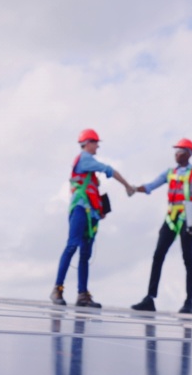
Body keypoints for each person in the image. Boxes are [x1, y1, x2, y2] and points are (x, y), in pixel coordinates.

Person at [51, 128, 135, 308]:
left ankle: (82, 294)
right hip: (80, 209)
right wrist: (127, 186)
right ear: (88, 143)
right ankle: (57, 289)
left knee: (85, 253)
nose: (98, 146)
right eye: (96, 143)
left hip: (90, 213)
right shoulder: (85, 159)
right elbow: (109, 170)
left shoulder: (86, 166)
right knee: (72, 246)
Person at [131, 138, 192, 314]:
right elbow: (151, 185)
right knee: (158, 255)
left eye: (180, 151)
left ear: (188, 153)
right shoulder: (170, 172)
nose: (176, 154)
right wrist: (135, 188)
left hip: (188, 217)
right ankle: (150, 298)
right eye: (176, 151)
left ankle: (189, 302)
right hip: (171, 217)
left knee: (187, 257)